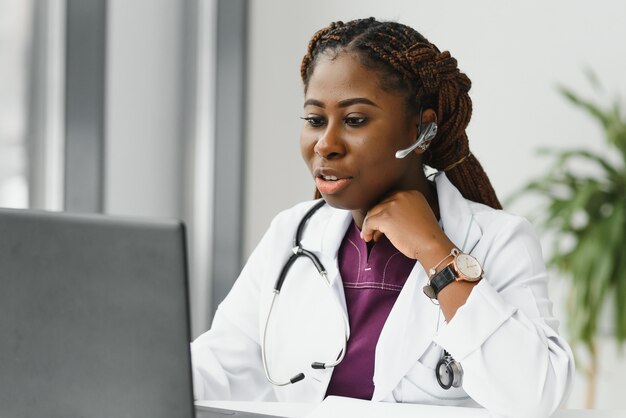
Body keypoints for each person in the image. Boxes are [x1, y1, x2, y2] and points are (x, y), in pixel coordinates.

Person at [191, 17, 574, 417]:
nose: (326, 144)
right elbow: (215, 367)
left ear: (422, 130)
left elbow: (537, 396)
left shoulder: (498, 241)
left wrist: (436, 252)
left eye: (355, 120)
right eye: (315, 120)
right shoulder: (291, 233)